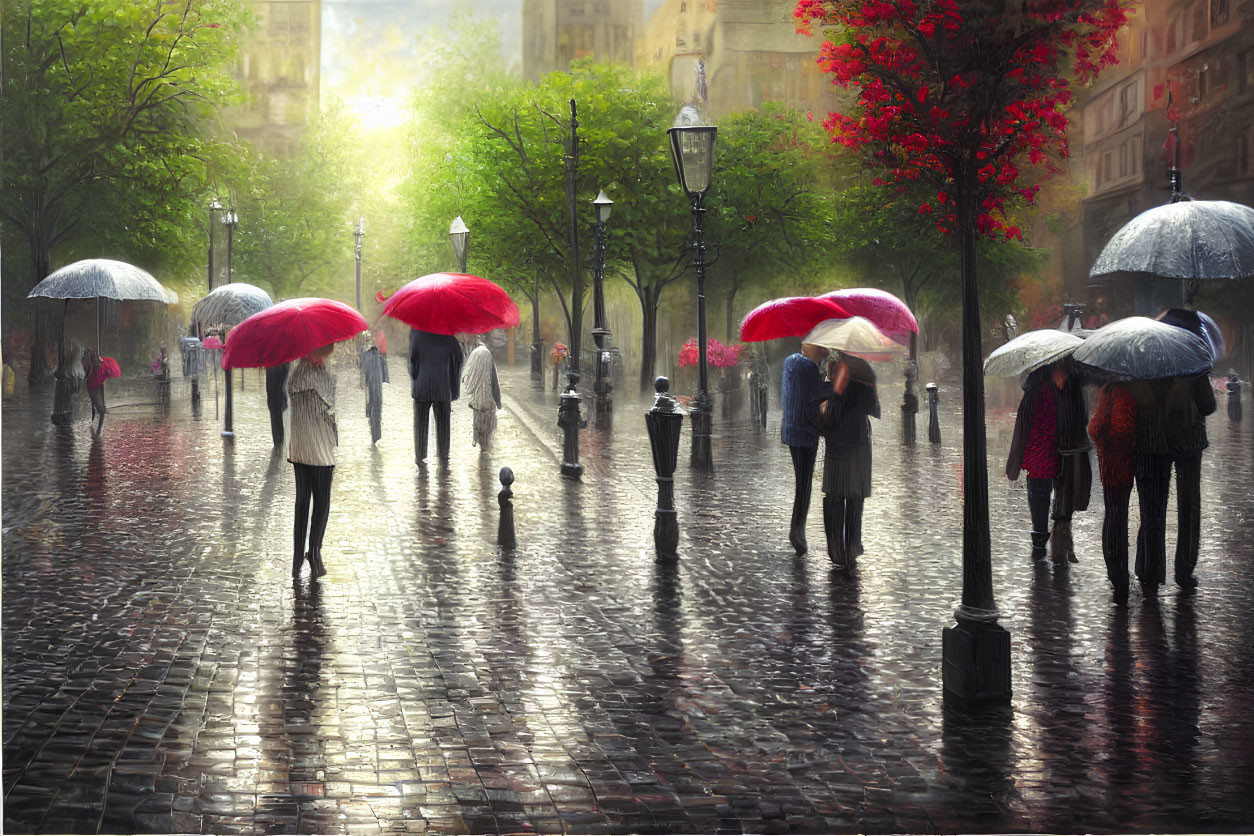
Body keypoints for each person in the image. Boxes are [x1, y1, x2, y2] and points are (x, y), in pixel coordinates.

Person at [813, 352, 878, 570]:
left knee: (835, 495)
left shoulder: (832, 382)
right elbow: (873, 409)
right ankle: (851, 546)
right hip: (857, 444)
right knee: (854, 497)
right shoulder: (862, 374)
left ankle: (837, 550)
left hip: (838, 445)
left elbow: (822, 421)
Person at [288, 344, 338, 579]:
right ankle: (315, 554)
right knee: (322, 503)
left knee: (302, 502)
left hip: (299, 449)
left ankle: (298, 556)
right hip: (320, 451)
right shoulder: (321, 377)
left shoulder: (296, 374)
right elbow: (331, 413)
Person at [1163, 371, 1216, 588]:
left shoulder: (1161, 363)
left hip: (1164, 441)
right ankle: (1184, 568)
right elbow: (1208, 405)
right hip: (1190, 444)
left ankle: (1152, 568)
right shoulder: (1196, 368)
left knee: (1155, 508)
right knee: (1190, 506)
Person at [1006, 363, 1062, 557]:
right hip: (1055, 457)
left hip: (1037, 459)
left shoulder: (1033, 391)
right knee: (1056, 500)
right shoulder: (1058, 391)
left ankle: (1039, 545)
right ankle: (1056, 544)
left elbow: (1022, 427)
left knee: (1038, 502)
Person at [1089, 382, 1137, 605]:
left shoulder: (1105, 390)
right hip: (1121, 464)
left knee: (1112, 514)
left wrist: (1103, 447)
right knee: (1119, 515)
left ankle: (1113, 566)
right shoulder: (1123, 391)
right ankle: (1119, 574)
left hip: (1107, 463)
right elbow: (1123, 428)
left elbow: (1095, 428)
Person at [780, 342, 829, 554]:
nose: (820, 348)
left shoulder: (790, 362)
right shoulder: (808, 367)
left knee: (802, 480)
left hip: (791, 431)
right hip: (806, 433)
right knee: (805, 483)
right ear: (805, 344)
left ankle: (797, 529)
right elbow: (815, 402)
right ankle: (797, 530)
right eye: (817, 345)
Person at [1049, 357, 1091, 563]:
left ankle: (1063, 546)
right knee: (1067, 494)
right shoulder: (1074, 382)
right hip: (1069, 447)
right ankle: (1062, 547)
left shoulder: (1050, 382)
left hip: (1062, 447)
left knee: (1064, 494)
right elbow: (1083, 417)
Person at [1132, 379, 1171, 595]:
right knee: (1156, 514)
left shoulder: (1135, 381)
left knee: (1148, 513)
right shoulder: (1170, 379)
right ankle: (1152, 570)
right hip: (1160, 453)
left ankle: (1146, 566)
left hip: (1144, 455)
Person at [409, 328, 463, 462]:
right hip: (443, 389)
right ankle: (443, 466)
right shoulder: (450, 337)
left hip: (422, 388)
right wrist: (452, 383)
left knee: (420, 433)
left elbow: (412, 361)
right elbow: (459, 361)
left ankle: (421, 465)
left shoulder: (417, 334)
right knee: (444, 435)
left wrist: (417, 377)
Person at [461, 342, 502, 450]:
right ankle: (486, 443)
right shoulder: (488, 357)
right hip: (488, 398)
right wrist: (498, 402)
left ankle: (478, 440)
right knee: (488, 421)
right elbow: (494, 381)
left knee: (477, 419)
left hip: (477, 399)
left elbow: (467, 378)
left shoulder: (473, 357)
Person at [361, 335, 388, 445]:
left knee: (370, 406)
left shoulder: (365, 356)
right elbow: (385, 378)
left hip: (369, 386)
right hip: (377, 389)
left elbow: (362, 371)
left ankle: (373, 435)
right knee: (377, 409)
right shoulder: (381, 358)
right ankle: (376, 437)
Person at [82, 347, 108, 435]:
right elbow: (86, 375)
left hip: (95, 385)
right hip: (94, 385)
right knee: (101, 409)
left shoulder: (94, 364)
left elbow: (86, 375)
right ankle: (98, 429)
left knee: (101, 408)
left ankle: (99, 429)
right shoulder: (90, 364)